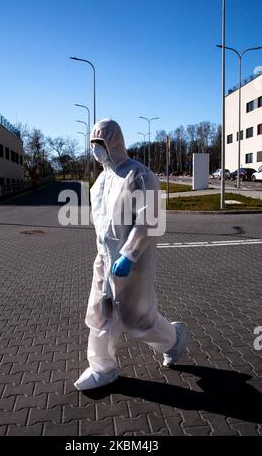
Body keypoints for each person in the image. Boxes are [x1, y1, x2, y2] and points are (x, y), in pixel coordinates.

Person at [74, 118, 189, 391]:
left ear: (113, 142)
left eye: (99, 143)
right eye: (92, 144)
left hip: (133, 264)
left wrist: (129, 254)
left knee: (139, 321)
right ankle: (102, 368)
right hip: (104, 260)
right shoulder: (100, 181)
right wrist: (104, 255)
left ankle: (174, 338)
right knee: (99, 314)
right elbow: (102, 224)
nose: (95, 149)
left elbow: (149, 220)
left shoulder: (138, 175)